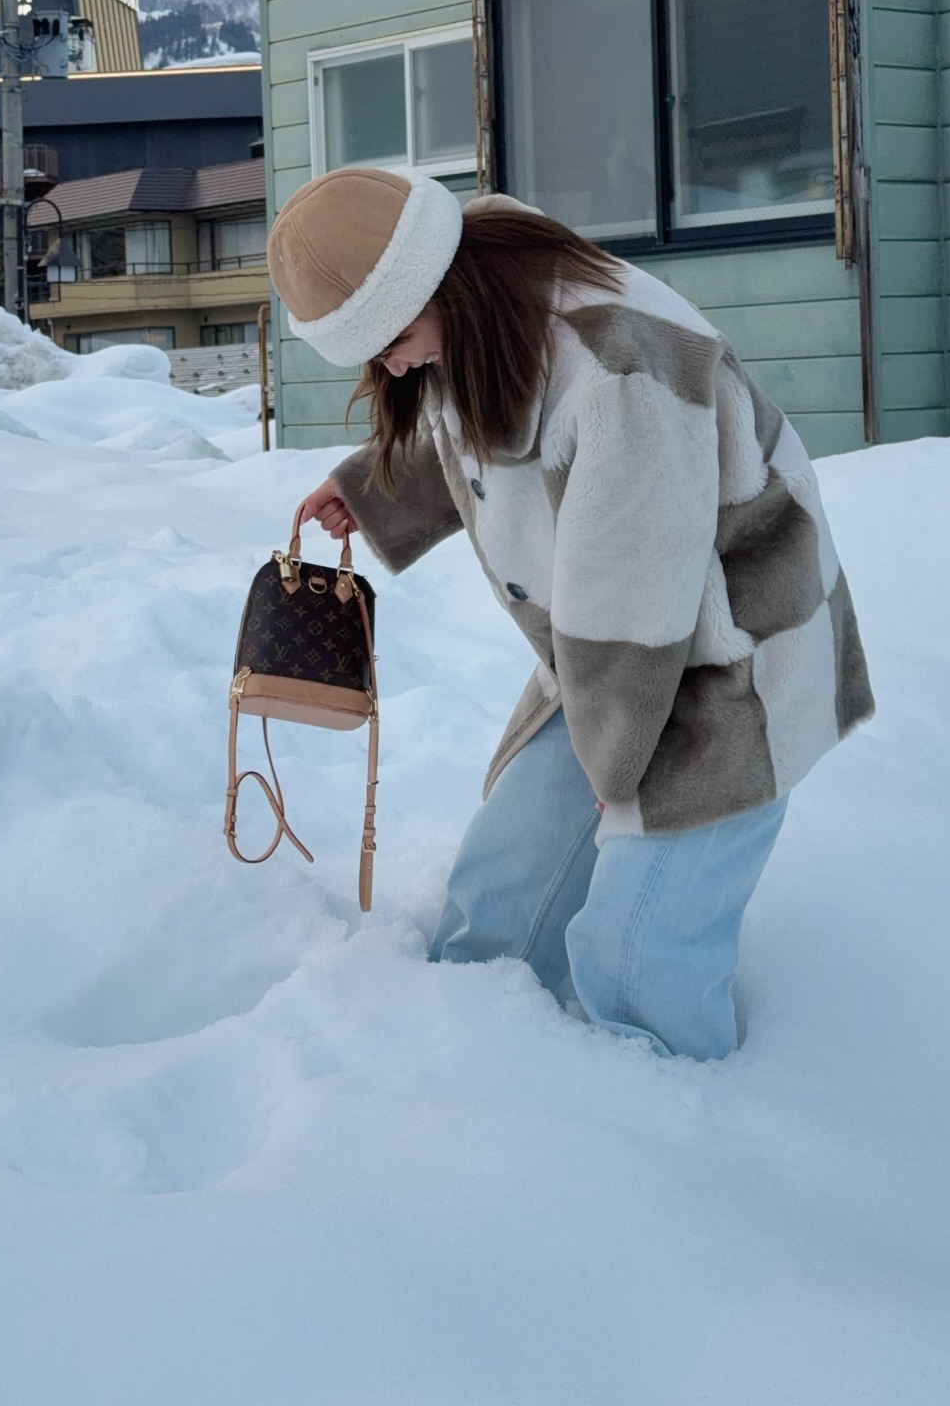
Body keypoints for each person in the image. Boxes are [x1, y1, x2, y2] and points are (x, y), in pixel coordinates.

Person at [269, 166, 873, 1061]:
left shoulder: (619, 371)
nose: (394, 365)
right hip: (613, 656)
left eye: (395, 337)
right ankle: (465, 1093)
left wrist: (613, 757)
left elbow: (635, 586)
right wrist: (377, 493)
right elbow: (479, 419)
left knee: (638, 967)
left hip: (730, 661)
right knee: (496, 911)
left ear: (439, 281)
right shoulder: (486, 299)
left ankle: (676, 1150)